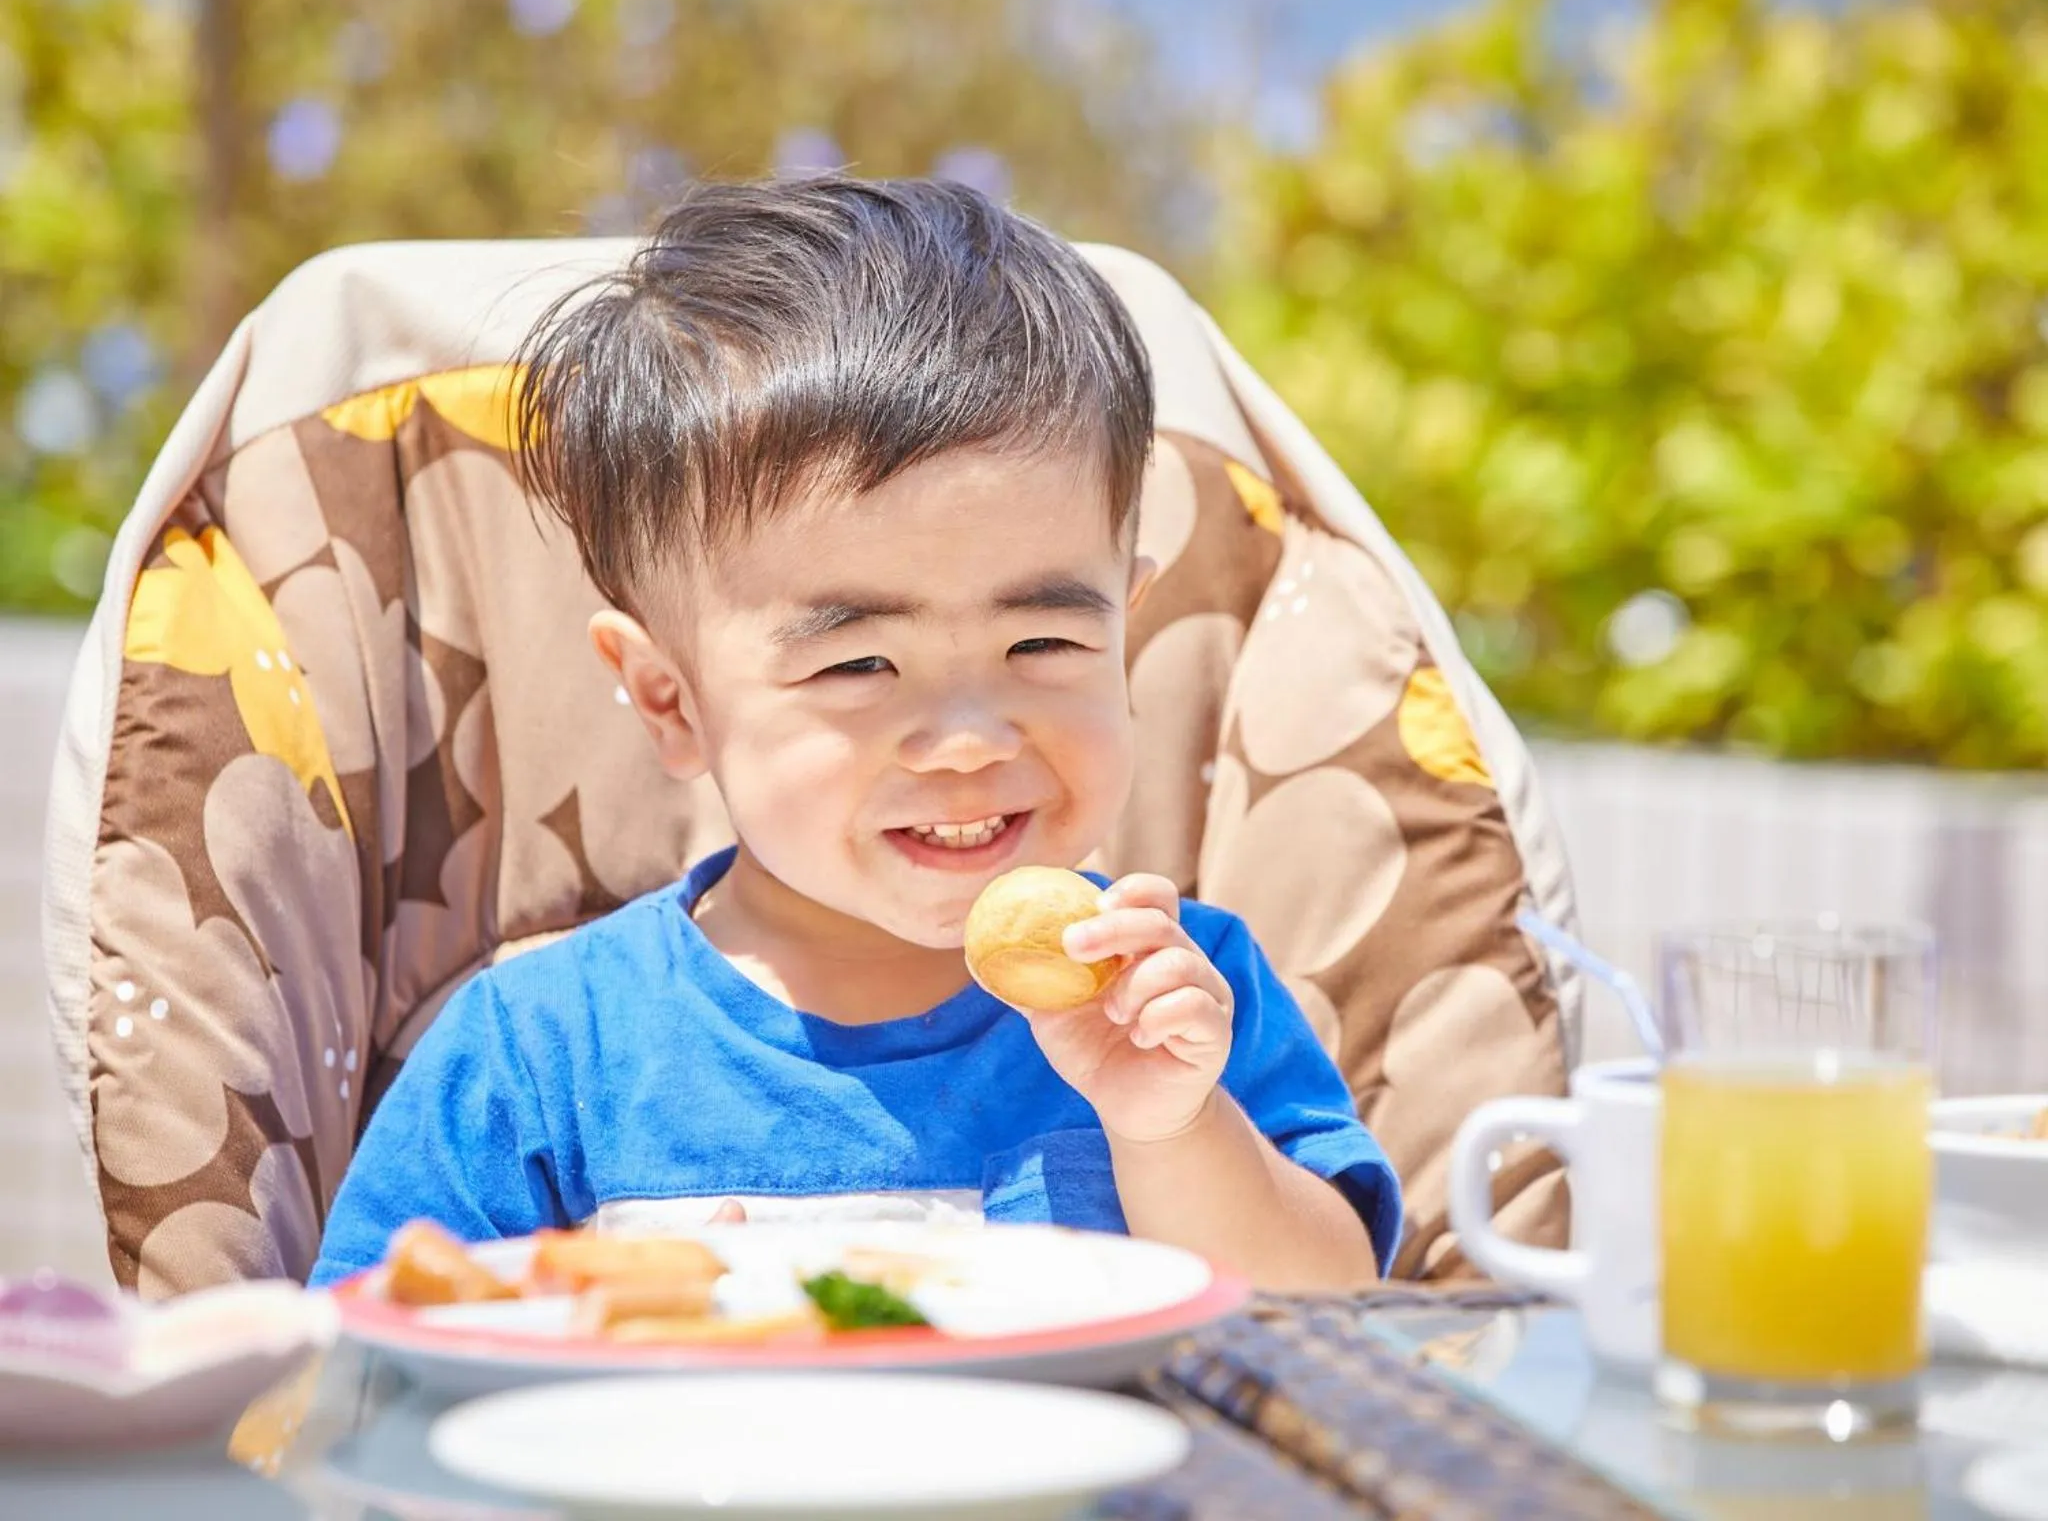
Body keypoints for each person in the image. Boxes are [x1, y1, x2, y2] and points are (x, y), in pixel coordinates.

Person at [309, 177, 1399, 1291]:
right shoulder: (542, 1052)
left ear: (1127, 623)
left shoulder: (1178, 997)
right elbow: (362, 1357)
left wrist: (1172, 1128)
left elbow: (1336, 1309)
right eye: (857, 664)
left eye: (1042, 647)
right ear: (668, 700)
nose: (969, 740)